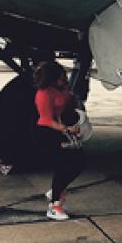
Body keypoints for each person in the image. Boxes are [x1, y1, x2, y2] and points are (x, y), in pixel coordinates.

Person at [33, 61, 86, 220]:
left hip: (61, 129)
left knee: (80, 161)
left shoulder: (62, 89)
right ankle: (54, 205)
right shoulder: (44, 93)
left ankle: (57, 190)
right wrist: (67, 130)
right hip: (47, 133)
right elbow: (46, 120)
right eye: (61, 76)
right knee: (62, 165)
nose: (64, 78)